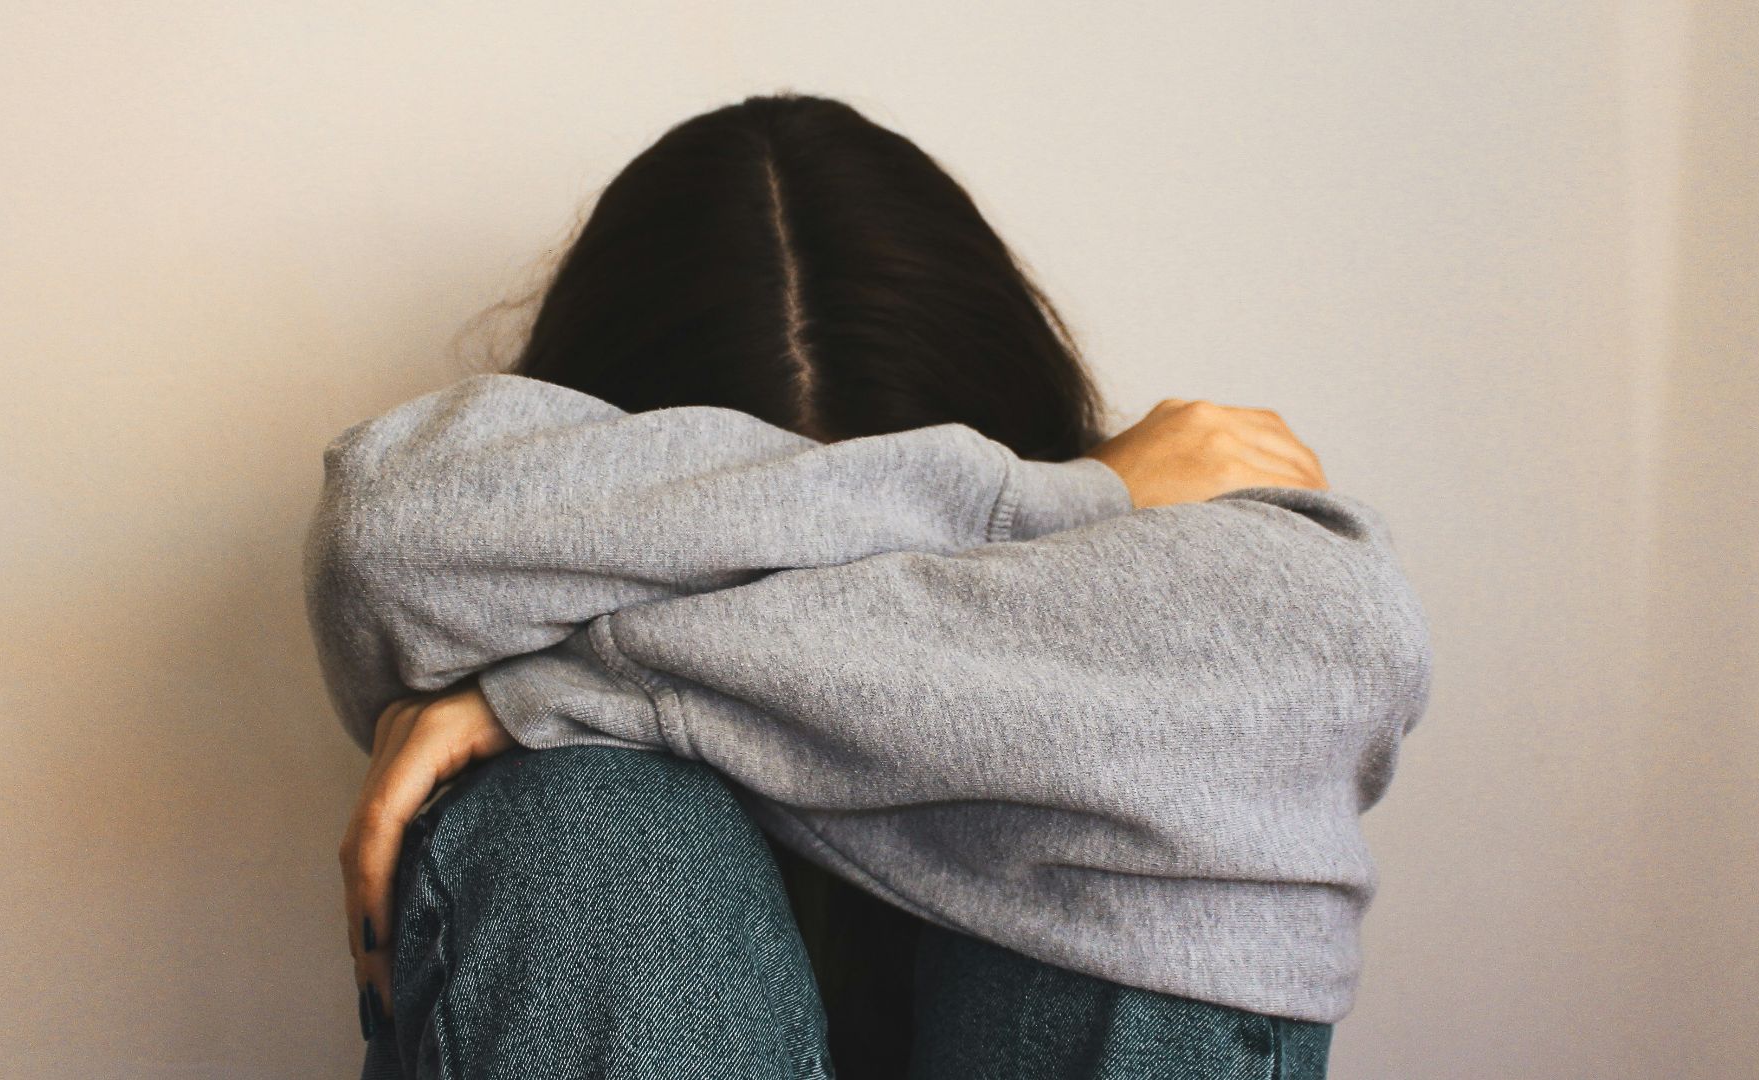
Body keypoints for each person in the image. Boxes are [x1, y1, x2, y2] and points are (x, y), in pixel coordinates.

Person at [302, 92, 1432, 1080]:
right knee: (580, 821)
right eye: (753, 541)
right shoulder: (1078, 509)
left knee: (1177, 790)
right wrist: (1053, 507)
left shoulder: (548, 647)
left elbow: (1342, 641)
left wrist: (562, 679)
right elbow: (385, 537)